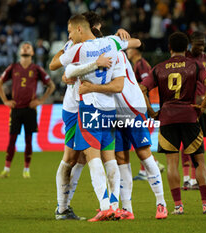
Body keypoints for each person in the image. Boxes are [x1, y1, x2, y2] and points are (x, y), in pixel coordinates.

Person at [63, 11, 167, 220]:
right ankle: (125, 208)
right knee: (120, 158)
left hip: (132, 107)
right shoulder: (108, 45)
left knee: (143, 153)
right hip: (112, 110)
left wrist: (125, 38)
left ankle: (161, 203)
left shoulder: (111, 45)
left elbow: (135, 46)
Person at [49, 14, 126, 222]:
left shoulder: (97, 45)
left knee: (86, 158)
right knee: (72, 158)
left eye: (70, 32)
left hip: (89, 106)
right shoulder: (73, 46)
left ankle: (104, 206)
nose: (69, 35)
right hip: (74, 108)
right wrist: (66, 49)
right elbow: (57, 67)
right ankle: (63, 207)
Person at [140, 32, 206, 215]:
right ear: (186, 48)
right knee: (199, 162)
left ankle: (178, 206)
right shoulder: (195, 65)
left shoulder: (159, 67)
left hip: (167, 118)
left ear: (169, 48)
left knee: (171, 164)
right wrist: (202, 106)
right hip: (190, 116)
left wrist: (151, 111)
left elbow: (142, 88)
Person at [0, 41, 55, 179]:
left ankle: (26, 170)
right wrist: (5, 100)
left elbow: (51, 85)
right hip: (16, 109)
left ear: (32, 53)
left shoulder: (36, 69)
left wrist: (40, 101)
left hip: (30, 109)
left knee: (29, 140)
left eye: (28, 47)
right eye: (23, 46)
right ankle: (6, 169)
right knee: (12, 140)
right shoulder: (13, 67)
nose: (25, 47)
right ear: (19, 51)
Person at [183, 31, 206, 190]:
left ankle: (196, 179)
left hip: (203, 106)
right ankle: (187, 178)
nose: (202, 47)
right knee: (188, 141)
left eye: (203, 44)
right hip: (189, 106)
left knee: (199, 142)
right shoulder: (185, 58)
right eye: (199, 44)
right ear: (191, 43)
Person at [126, 45, 165, 181]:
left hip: (143, 104)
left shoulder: (141, 64)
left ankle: (153, 164)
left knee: (140, 137)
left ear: (136, 50)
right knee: (141, 137)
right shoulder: (138, 64)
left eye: (129, 49)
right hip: (142, 103)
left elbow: (145, 85)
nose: (127, 52)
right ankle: (145, 169)